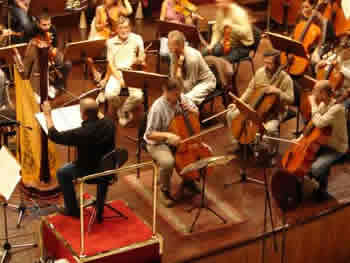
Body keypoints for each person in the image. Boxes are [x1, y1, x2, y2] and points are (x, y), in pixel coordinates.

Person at [42, 98, 115, 218]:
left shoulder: (82, 133)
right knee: (102, 166)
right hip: (109, 169)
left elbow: (55, 136)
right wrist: (92, 107)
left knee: (62, 172)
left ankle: (72, 210)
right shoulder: (110, 123)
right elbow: (100, 116)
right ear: (97, 111)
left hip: (90, 171)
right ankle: (100, 207)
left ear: (83, 114)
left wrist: (47, 115)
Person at [144, 78, 201, 207]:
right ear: (165, 91)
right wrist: (167, 135)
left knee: (193, 154)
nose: (178, 97)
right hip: (158, 142)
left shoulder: (182, 98)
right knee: (168, 162)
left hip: (180, 138)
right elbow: (149, 134)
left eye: (179, 93)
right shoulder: (157, 108)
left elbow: (196, 113)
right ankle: (164, 190)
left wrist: (193, 111)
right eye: (175, 94)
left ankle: (188, 180)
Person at [226, 49, 294, 152]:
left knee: (270, 129)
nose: (266, 66)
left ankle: (272, 152)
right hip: (255, 106)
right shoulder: (260, 72)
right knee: (231, 114)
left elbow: (291, 99)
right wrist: (239, 103)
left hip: (274, 112)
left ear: (277, 64)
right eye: (265, 62)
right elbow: (250, 90)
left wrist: (278, 91)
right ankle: (241, 143)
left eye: (270, 63)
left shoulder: (286, 79)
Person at [305, 80, 348, 201]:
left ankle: (319, 189)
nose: (313, 94)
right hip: (325, 143)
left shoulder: (337, 109)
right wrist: (301, 139)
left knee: (315, 168)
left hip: (337, 148)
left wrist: (313, 103)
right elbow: (314, 122)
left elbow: (319, 122)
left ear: (323, 93)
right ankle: (320, 189)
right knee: (310, 162)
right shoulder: (324, 104)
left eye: (315, 91)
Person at [97, 16, 144, 126]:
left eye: (126, 27)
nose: (124, 30)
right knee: (109, 95)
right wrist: (119, 78)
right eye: (121, 28)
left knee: (138, 96)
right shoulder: (110, 42)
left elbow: (142, 55)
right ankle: (122, 109)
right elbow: (111, 64)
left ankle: (122, 111)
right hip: (117, 72)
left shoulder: (137, 39)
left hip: (132, 72)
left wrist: (140, 59)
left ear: (130, 28)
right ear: (116, 29)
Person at [21, 13, 72, 99]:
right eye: (44, 25)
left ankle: (56, 87)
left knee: (67, 64)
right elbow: (25, 48)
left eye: (49, 24)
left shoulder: (52, 29)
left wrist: (53, 53)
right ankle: (37, 92)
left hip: (49, 52)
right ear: (38, 24)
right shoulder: (30, 30)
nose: (47, 27)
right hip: (33, 56)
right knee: (39, 66)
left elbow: (55, 46)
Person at [168, 30, 216, 105]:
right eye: (170, 47)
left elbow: (189, 87)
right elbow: (173, 77)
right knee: (169, 96)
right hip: (187, 82)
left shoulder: (192, 58)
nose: (172, 51)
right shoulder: (173, 53)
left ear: (182, 46)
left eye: (175, 49)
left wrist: (179, 75)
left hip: (204, 82)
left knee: (185, 100)